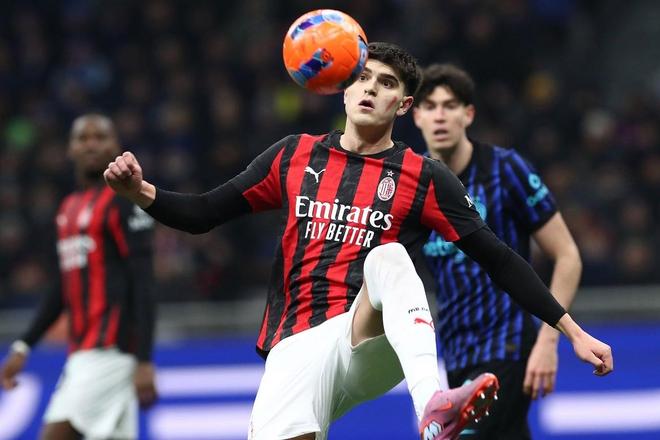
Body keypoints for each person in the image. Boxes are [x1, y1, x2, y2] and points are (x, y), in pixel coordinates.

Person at [104, 42, 612, 440]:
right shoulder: (293, 155)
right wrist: (141, 192)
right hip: (293, 346)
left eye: (386, 83)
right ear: (343, 90)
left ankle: (432, 404)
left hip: (366, 334)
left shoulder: (423, 176)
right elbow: (203, 213)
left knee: (389, 256)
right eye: (362, 78)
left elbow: (498, 258)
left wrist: (571, 331)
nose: (370, 89)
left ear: (403, 104)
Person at [413, 63, 583, 439]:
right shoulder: (414, 183)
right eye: (431, 106)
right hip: (456, 352)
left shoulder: (505, 170)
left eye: (450, 105)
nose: (440, 115)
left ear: (468, 114)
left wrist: (548, 340)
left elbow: (567, 255)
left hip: (509, 344)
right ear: (416, 115)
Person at [1, 114, 158, 440]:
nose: (91, 145)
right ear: (70, 149)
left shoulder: (125, 202)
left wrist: (145, 359)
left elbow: (143, 282)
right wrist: (24, 344)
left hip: (110, 350)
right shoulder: (68, 208)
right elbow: (63, 286)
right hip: (81, 350)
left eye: (99, 137)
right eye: (82, 138)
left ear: (115, 146)